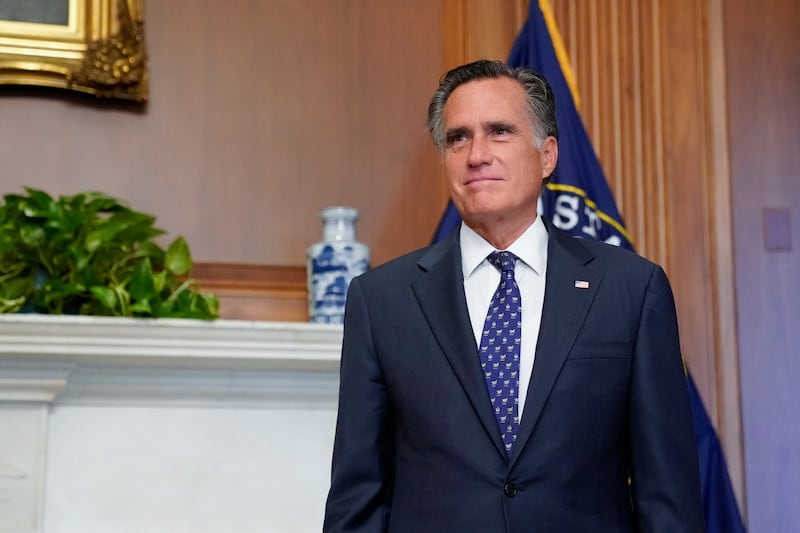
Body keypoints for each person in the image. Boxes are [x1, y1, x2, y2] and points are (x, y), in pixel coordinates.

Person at [323, 59, 704, 533]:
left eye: (499, 131)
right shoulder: (382, 301)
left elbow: (667, 494)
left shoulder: (630, 289)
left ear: (547, 155)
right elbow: (357, 496)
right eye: (458, 137)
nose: (476, 154)